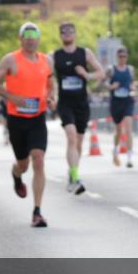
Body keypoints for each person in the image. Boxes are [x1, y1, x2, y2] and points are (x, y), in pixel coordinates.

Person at [0, 22, 56, 227]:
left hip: (37, 118)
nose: (31, 39)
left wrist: (52, 97)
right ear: (21, 39)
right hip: (16, 119)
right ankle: (16, 175)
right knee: (23, 164)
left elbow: (51, 84)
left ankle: (37, 212)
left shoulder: (47, 61)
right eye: (27, 35)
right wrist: (11, 96)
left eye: (34, 35)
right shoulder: (10, 60)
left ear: (39, 39)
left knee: (39, 159)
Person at [52, 21, 106, 194]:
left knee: (79, 143)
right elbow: (46, 76)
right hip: (65, 103)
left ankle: (72, 170)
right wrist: (51, 94)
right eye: (64, 31)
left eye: (70, 31)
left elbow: (101, 73)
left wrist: (87, 74)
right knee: (71, 136)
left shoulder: (85, 53)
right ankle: (76, 177)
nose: (67, 33)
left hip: (81, 104)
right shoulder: (54, 56)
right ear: (60, 35)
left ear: (75, 34)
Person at [106, 47, 136, 167]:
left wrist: (133, 87)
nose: (122, 58)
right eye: (120, 56)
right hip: (116, 102)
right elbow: (103, 82)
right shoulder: (111, 69)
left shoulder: (130, 69)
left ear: (127, 57)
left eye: (124, 56)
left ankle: (129, 158)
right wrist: (111, 86)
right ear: (117, 57)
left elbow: (132, 81)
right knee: (118, 130)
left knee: (128, 128)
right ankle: (115, 150)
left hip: (127, 100)